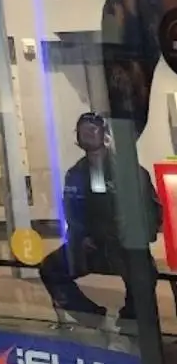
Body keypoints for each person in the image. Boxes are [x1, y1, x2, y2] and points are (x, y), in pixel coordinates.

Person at [38, 111, 161, 327]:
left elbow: (150, 209)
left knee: (143, 275)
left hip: (123, 245)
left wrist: (133, 239)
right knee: (50, 268)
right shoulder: (76, 173)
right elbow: (72, 211)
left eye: (93, 129)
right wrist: (81, 238)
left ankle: (132, 324)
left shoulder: (128, 169)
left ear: (104, 134)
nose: (88, 134)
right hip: (90, 246)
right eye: (83, 130)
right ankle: (92, 317)